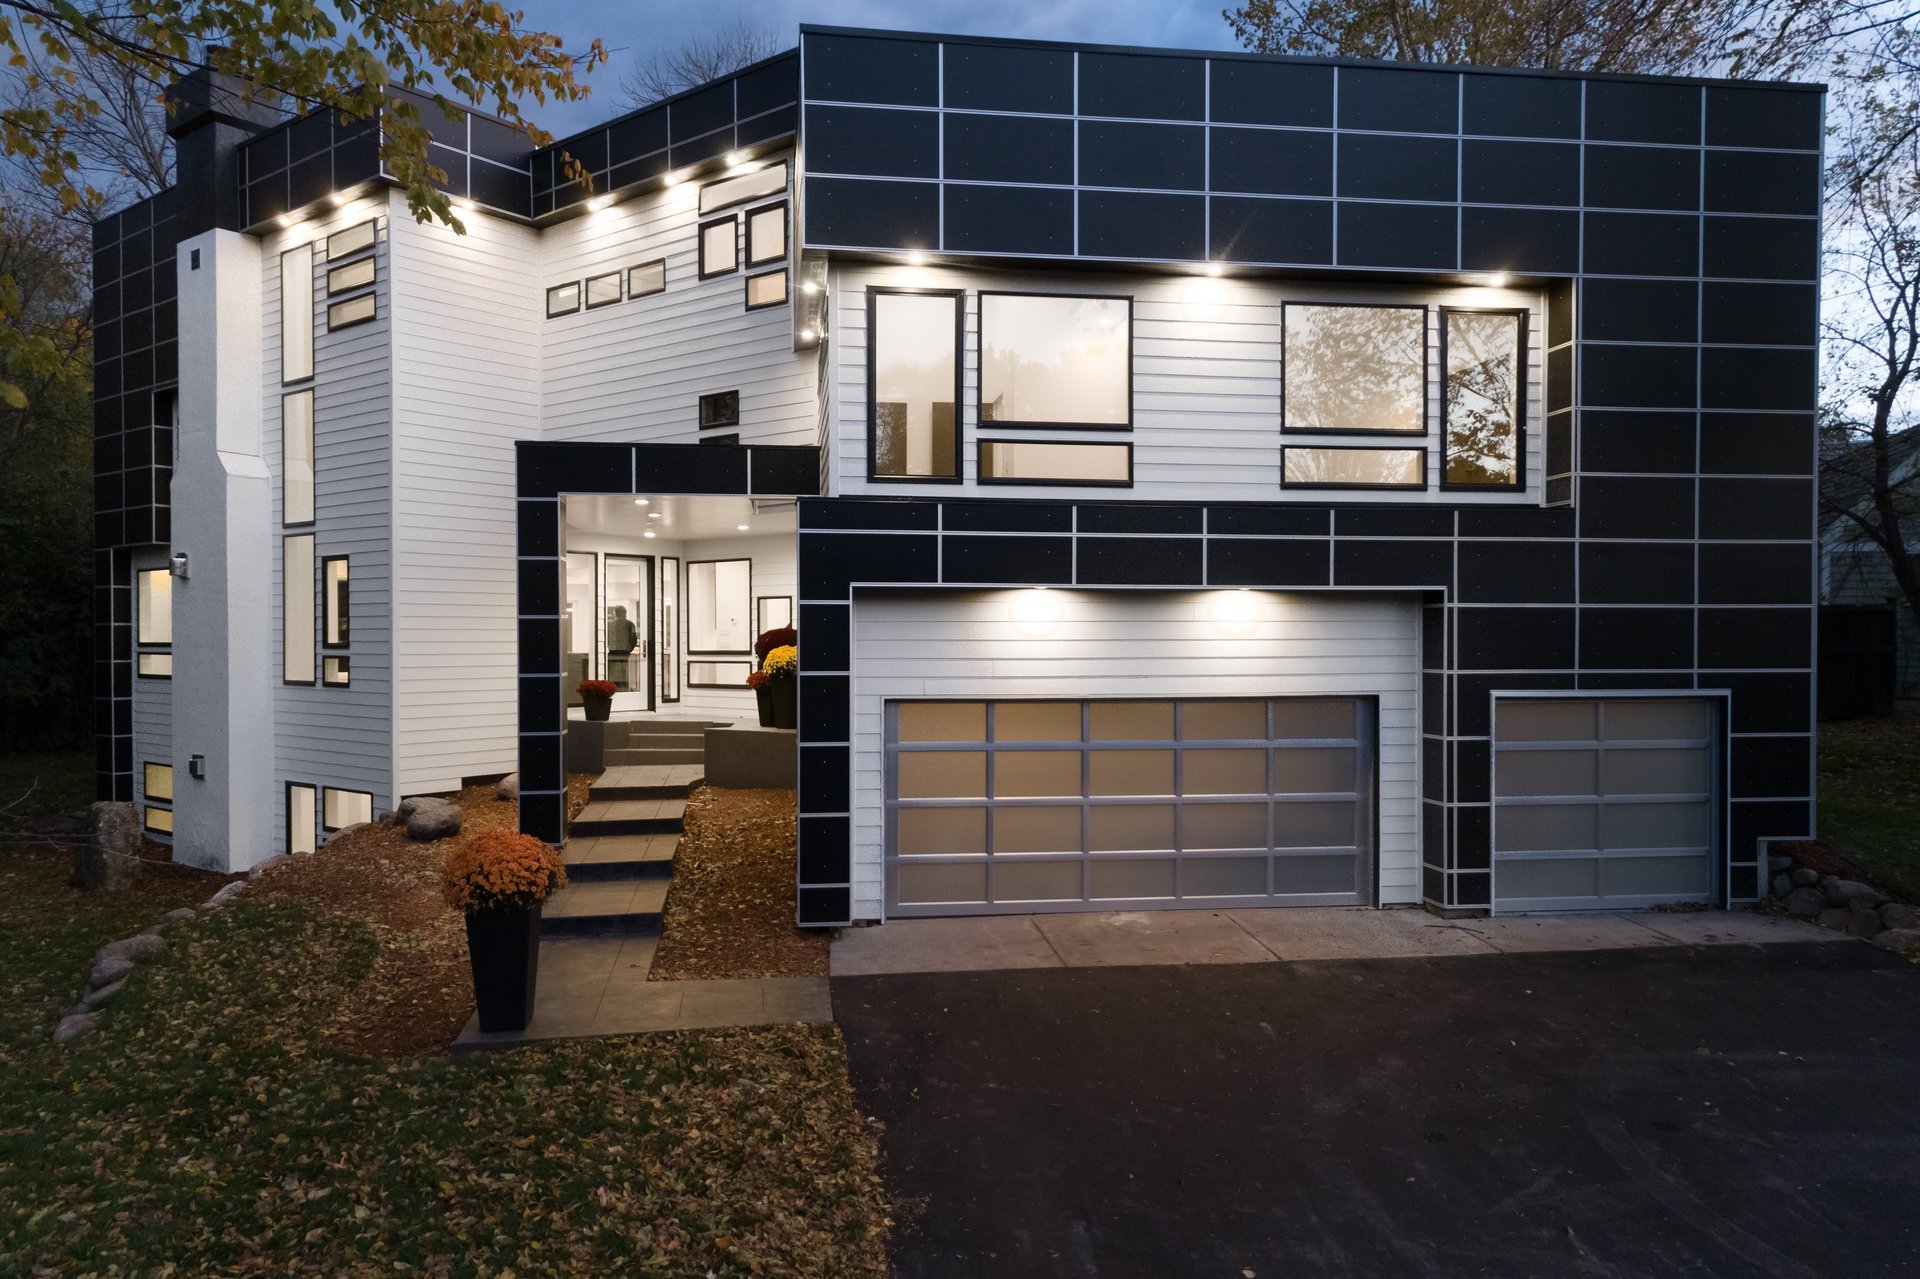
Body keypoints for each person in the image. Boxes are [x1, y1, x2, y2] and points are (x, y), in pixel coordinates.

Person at [607, 605, 637, 687]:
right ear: (625, 613)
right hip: (625, 653)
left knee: (613, 675)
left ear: (615, 614)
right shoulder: (630, 624)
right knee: (625, 674)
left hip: (612, 653)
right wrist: (629, 649)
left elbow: (607, 640)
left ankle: (615, 689)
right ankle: (625, 688)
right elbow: (633, 639)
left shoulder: (610, 626)